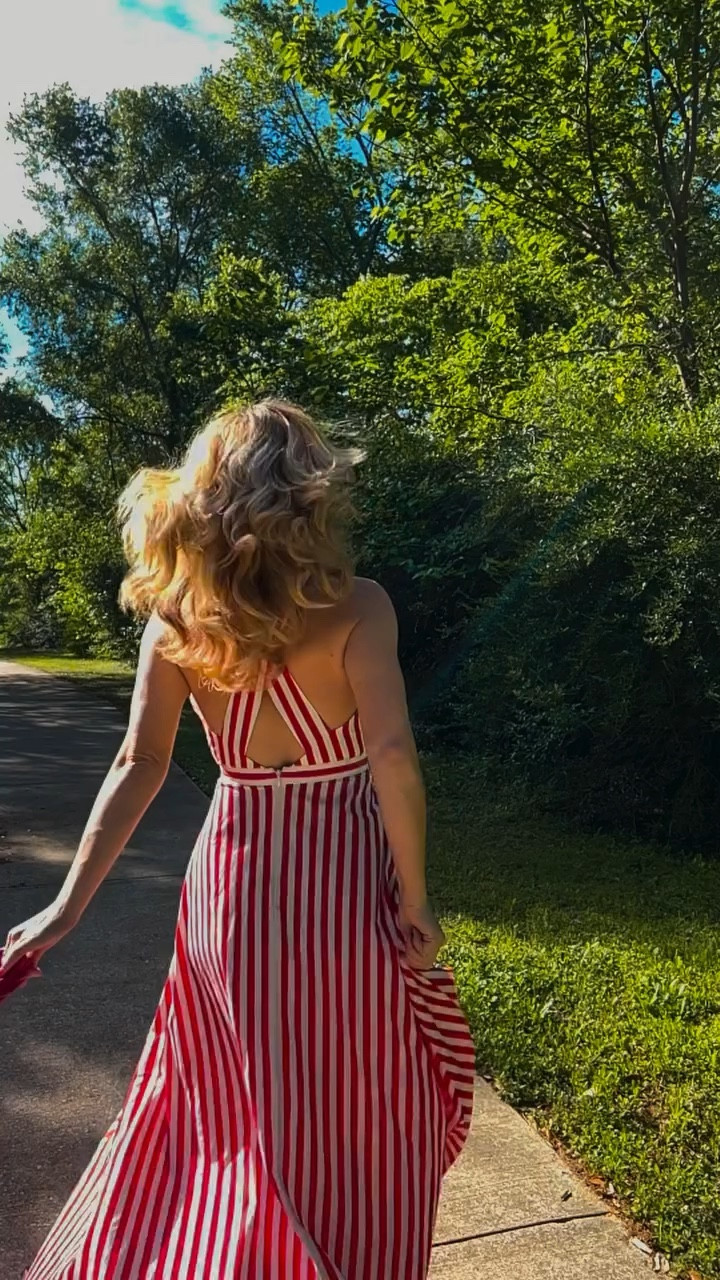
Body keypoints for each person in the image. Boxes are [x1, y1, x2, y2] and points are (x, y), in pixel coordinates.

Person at [5, 399, 475, 1280]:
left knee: (233, 1102)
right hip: (341, 877)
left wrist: (67, 908)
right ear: (307, 494)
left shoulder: (176, 623)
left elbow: (137, 765)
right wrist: (414, 899)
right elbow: (393, 757)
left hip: (235, 883)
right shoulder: (359, 607)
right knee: (360, 1095)